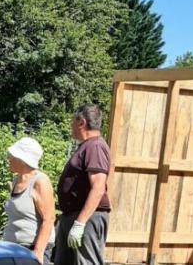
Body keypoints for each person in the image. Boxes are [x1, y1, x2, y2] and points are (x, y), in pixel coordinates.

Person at [53, 104, 111, 265]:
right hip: (73, 216)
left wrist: (80, 223)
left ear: (81, 122)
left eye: (73, 121)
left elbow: (98, 187)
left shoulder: (95, 146)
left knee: (86, 262)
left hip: (88, 218)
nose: (71, 126)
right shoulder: (87, 146)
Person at [3, 137, 56, 265]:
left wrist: (37, 252)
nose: (9, 158)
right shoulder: (16, 181)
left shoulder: (40, 181)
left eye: (12, 155)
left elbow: (49, 219)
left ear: (22, 160)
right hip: (12, 248)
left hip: (30, 249)